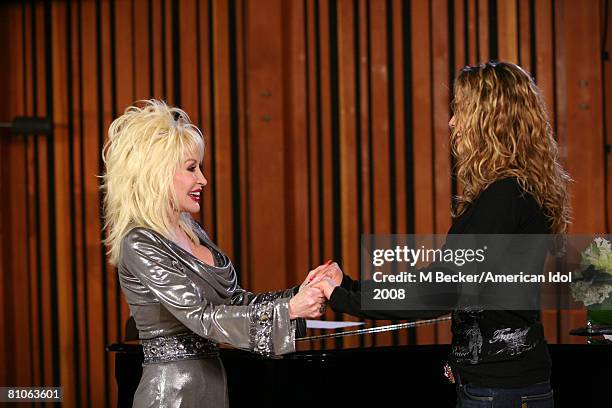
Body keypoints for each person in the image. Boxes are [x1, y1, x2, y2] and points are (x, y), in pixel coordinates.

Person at [313, 61, 571, 407]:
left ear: (489, 118)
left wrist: (346, 297)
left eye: (460, 111)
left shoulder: (504, 197)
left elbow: (439, 289)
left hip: (499, 393)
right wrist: (349, 285)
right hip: (500, 387)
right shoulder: (512, 193)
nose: (452, 123)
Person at [101, 99, 327, 408]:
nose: (203, 179)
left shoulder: (192, 231)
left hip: (213, 389)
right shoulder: (139, 243)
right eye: (192, 168)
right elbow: (202, 317)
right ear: (157, 172)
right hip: (171, 397)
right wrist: (288, 311)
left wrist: (299, 296)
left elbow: (234, 301)